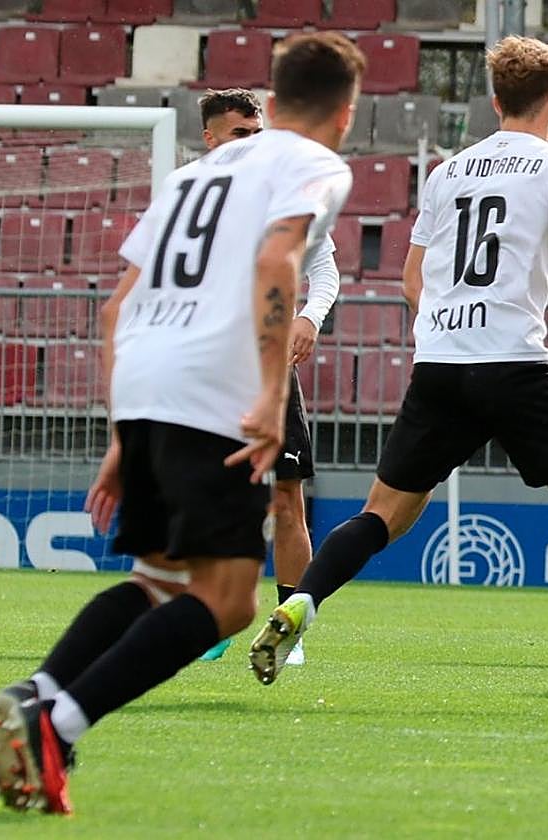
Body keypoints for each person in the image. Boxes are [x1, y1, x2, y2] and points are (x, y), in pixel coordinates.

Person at [247, 35, 548, 718]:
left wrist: (450, 329)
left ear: (496, 102)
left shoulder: (449, 172)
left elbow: (412, 279)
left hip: (440, 366)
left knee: (382, 516)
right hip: (513, 366)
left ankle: (301, 602)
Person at [0, 32, 364, 814]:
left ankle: (39, 691)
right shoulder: (312, 164)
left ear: (274, 98)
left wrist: (123, 432)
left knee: (158, 580)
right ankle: (59, 724)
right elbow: (277, 264)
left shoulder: (192, 178)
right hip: (211, 386)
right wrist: (270, 395)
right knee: (229, 600)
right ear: (346, 112)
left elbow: (116, 307)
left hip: (148, 380)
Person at [195, 88, 342, 667]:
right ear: (210, 138)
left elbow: (325, 270)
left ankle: (289, 630)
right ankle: (213, 616)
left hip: (269, 366)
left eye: (258, 134)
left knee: (286, 497)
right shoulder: (189, 198)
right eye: (240, 134)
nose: (252, 144)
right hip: (208, 363)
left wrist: (309, 316)